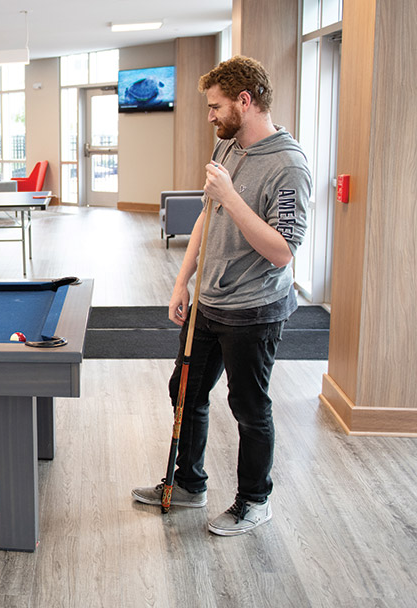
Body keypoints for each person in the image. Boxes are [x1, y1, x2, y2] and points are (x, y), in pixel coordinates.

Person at [132, 56, 312, 536]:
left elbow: (282, 253)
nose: (210, 116)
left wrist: (232, 196)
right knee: (185, 392)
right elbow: (207, 217)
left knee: (250, 409)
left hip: (254, 310)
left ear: (245, 101)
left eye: (215, 107)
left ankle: (255, 500)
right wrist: (181, 280)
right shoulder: (228, 147)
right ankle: (189, 484)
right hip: (208, 305)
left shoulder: (288, 166)